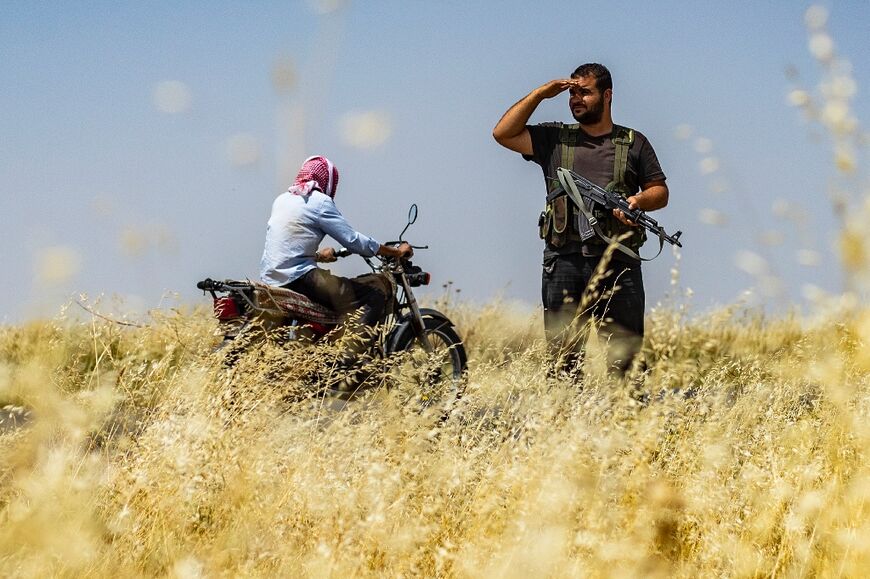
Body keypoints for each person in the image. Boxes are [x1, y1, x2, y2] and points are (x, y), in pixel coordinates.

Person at [492, 63, 669, 378]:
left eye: (584, 92)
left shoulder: (632, 142)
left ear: (607, 95)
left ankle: (627, 422)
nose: (576, 99)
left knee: (624, 366)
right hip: (563, 263)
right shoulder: (554, 138)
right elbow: (503, 133)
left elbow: (659, 191)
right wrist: (539, 94)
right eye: (572, 93)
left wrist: (637, 201)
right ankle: (566, 424)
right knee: (562, 365)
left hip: (619, 265)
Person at [260, 155, 412, 374]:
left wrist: (317, 255)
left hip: (272, 277)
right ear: (328, 180)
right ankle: (349, 363)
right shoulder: (320, 202)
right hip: (300, 279)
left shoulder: (282, 199)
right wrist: (395, 251)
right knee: (373, 294)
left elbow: (286, 243)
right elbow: (353, 240)